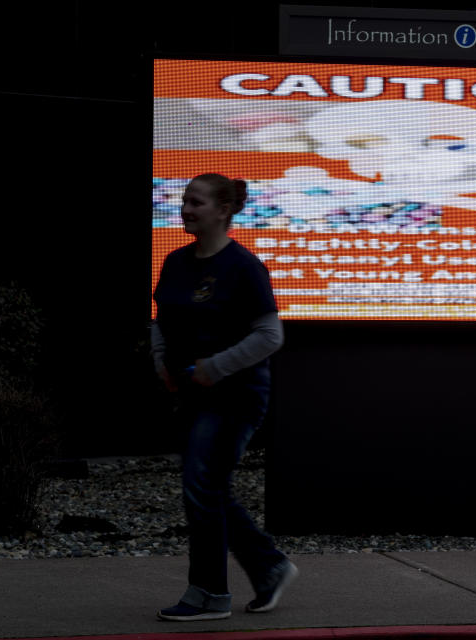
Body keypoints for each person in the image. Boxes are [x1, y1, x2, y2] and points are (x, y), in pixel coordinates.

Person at [151, 173, 297, 621]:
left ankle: (211, 593)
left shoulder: (244, 267)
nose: (186, 209)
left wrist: (213, 368)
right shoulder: (175, 262)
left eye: (196, 202)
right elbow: (161, 320)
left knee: (201, 484)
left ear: (223, 211)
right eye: (184, 201)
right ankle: (268, 565)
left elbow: (270, 335)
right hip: (191, 392)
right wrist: (162, 362)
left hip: (236, 394)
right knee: (207, 487)